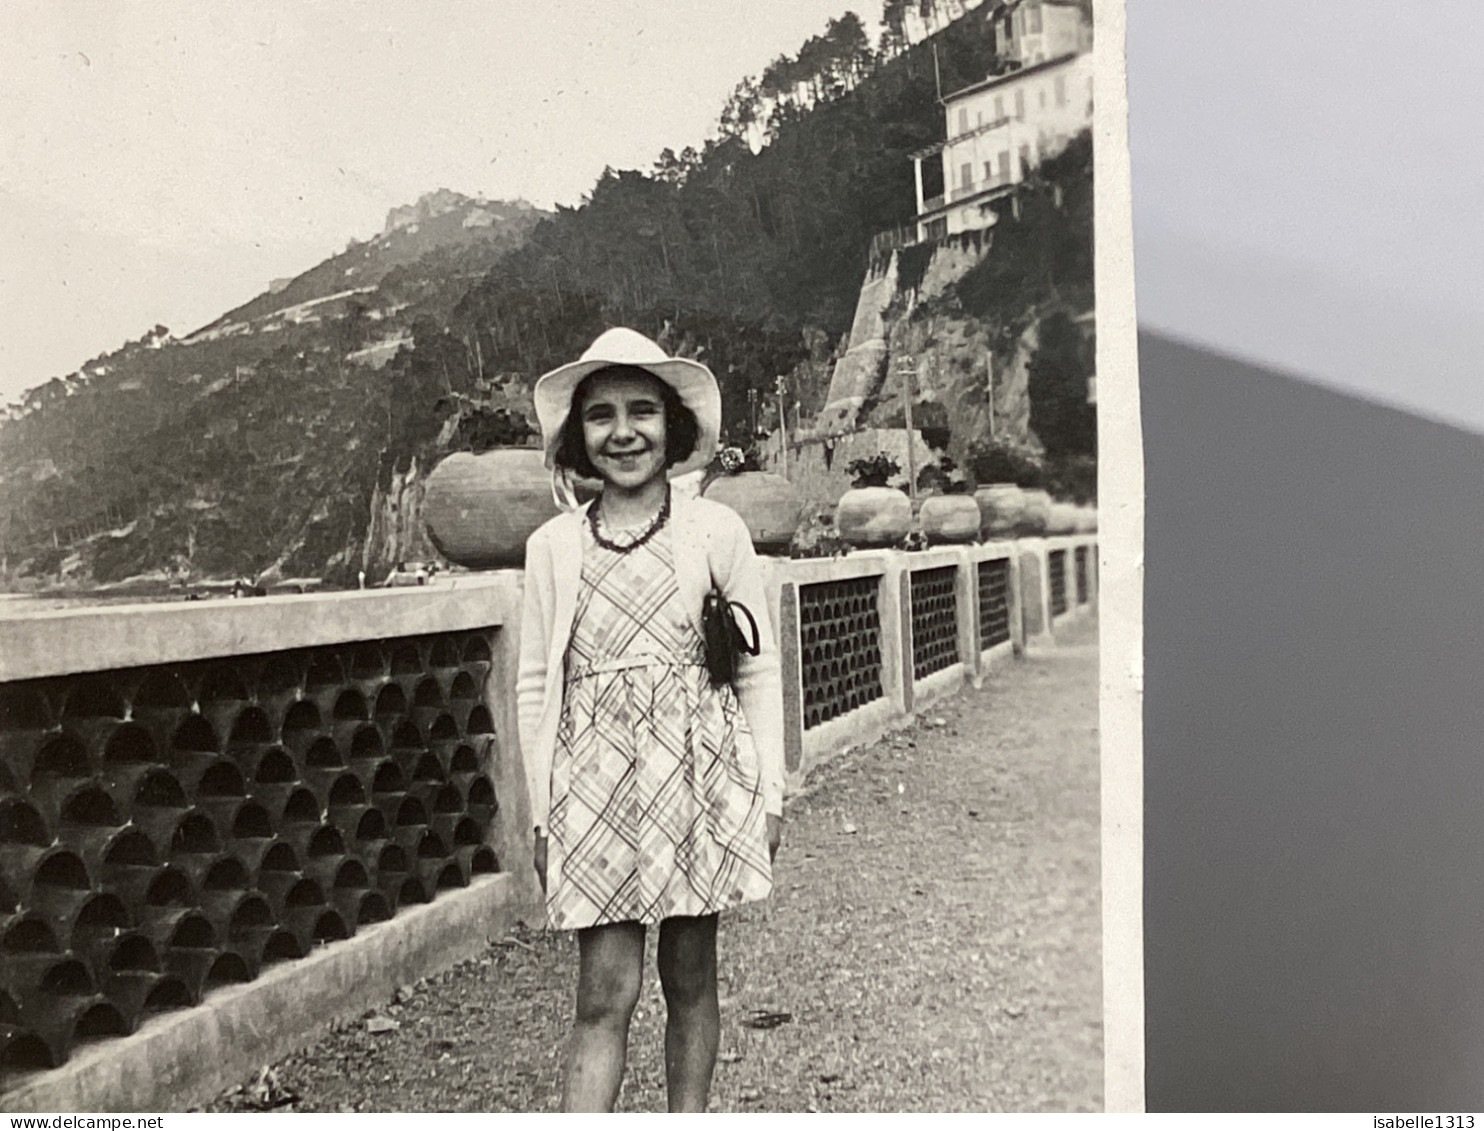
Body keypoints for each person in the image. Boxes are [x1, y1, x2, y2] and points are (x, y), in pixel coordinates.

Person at [516, 327, 784, 1113]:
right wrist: (542, 813)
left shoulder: (715, 531)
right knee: (605, 991)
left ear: (674, 426)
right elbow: (537, 686)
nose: (623, 431)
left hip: (697, 777)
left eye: (642, 411)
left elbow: (757, 671)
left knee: (691, 976)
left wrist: (770, 797)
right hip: (594, 787)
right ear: (578, 436)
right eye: (601, 415)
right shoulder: (553, 546)